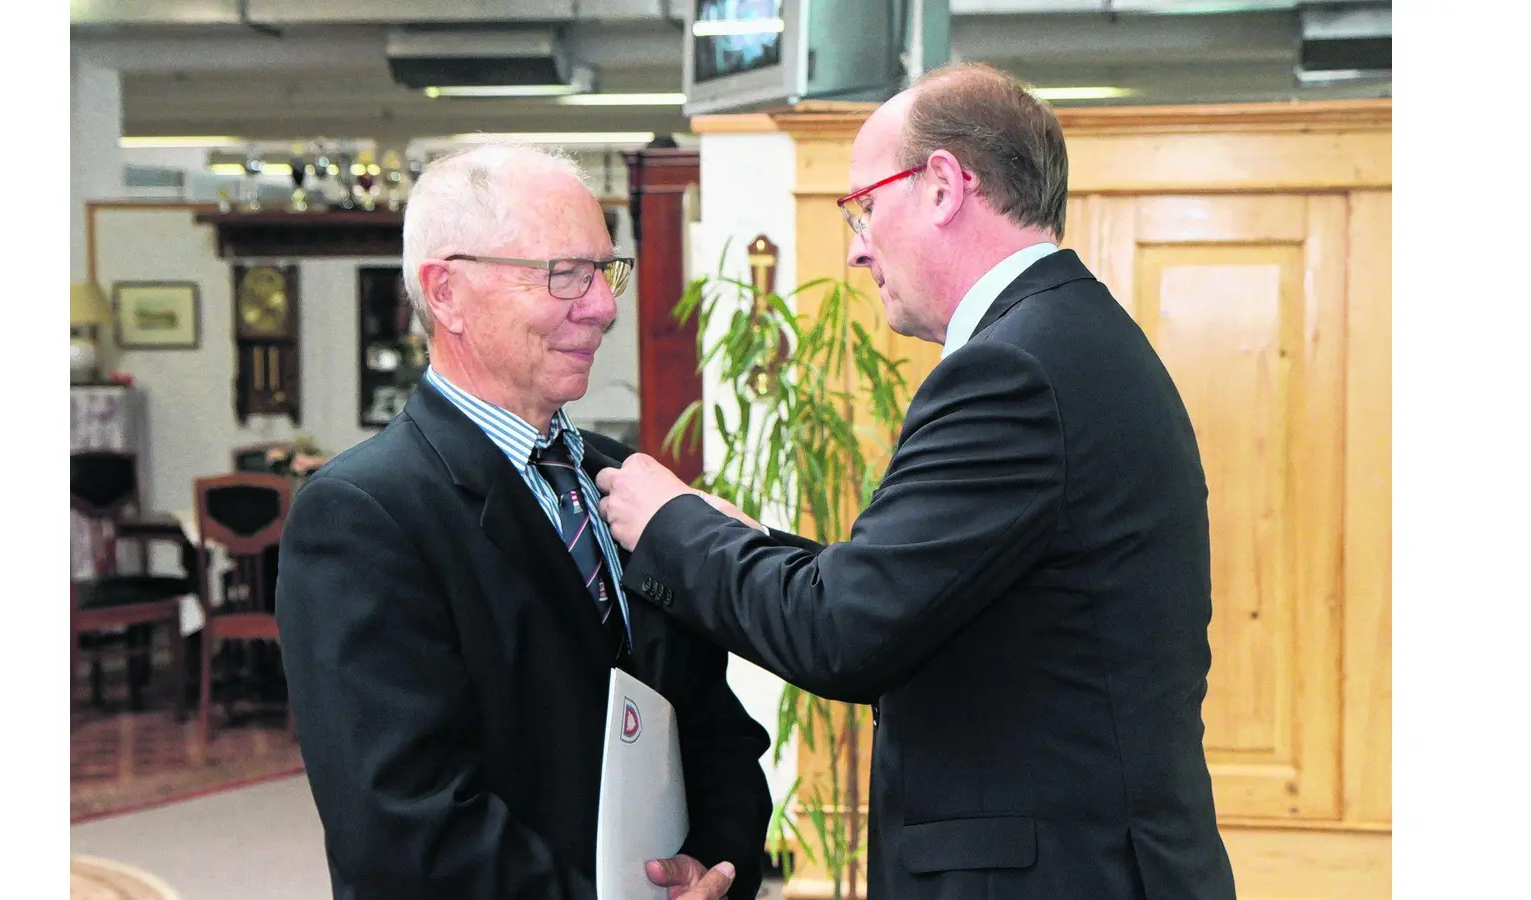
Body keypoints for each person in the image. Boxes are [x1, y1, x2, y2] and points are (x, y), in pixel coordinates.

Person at [596, 63, 1238, 900]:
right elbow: (918, 592)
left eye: (863, 205)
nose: (857, 246)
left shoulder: (1010, 370)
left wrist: (674, 523)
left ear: (943, 186)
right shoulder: (1067, 337)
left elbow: (845, 633)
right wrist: (746, 543)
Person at [275, 144, 772, 900]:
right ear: (447, 293)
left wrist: (714, 867)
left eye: (606, 271)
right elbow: (404, 824)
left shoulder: (627, 484)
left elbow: (714, 726)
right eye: (564, 273)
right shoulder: (363, 515)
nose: (604, 305)